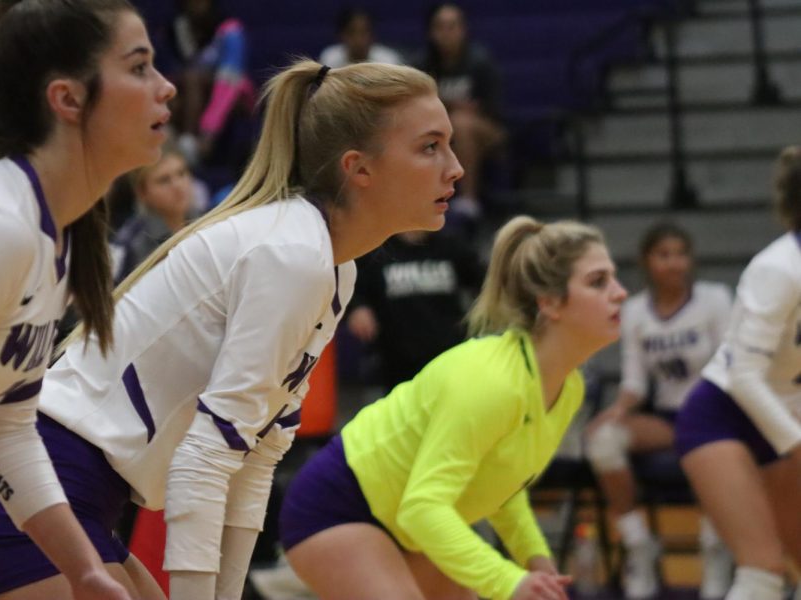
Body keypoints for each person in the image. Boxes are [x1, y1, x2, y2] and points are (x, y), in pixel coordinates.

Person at [0, 59, 463, 600]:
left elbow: (258, 452)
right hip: (38, 495)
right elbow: (207, 455)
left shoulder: (334, 268)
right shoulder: (291, 253)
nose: (454, 168)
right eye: (429, 146)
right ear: (358, 168)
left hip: (83, 501)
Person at [0, 0, 175, 598]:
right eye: (139, 67)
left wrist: (84, 570)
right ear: (68, 99)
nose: (166, 87)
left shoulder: (49, 237)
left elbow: (7, 429)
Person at [280, 215, 628, 600]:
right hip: (338, 507)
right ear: (549, 303)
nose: (620, 293)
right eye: (599, 282)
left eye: (612, 278)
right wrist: (508, 581)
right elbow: (423, 506)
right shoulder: (492, 383)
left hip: (407, 524)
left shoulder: (568, 387)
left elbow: (502, 485)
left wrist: (535, 559)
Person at [675, 146, 801, 600]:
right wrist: (795, 443)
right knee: (764, 569)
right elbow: (745, 374)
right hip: (722, 416)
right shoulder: (779, 269)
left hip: (785, 418)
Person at [584, 222, 734, 599]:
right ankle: (639, 546)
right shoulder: (634, 310)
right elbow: (635, 382)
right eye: (664, 255)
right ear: (647, 261)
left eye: (681, 254)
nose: (674, 263)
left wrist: (711, 413)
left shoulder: (714, 299)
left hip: (715, 413)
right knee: (602, 441)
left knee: (710, 446)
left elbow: (731, 365)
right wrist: (615, 411)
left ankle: (715, 554)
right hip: (669, 417)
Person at [346, 229, 484, 392]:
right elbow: (351, 285)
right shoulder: (377, 249)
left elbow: (486, 282)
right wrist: (357, 308)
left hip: (449, 356)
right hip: (397, 361)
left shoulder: (450, 244)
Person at [415, 2, 506, 222]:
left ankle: (469, 201)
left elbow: (494, 110)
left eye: (452, 26)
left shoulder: (480, 62)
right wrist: (454, 105)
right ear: (431, 32)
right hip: (440, 131)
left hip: (489, 131)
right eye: (440, 26)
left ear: (463, 29)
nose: (447, 33)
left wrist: (451, 109)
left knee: (461, 123)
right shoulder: (422, 64)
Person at [170, 0, 256, 167]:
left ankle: (189, 142)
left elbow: (228, 83)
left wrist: (208, 132)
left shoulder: (231, 30)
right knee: (175, 100)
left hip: (234, 94)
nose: (196, 5)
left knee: (193, 79)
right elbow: (177, 72)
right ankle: (176, 152)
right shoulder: (178, 27)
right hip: (193, 93)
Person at [110, 140, 209, 284]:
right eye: (164, 180)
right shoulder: (128, 246)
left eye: (181, 173)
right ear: (142, 193)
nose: (178, 185)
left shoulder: (211, 221)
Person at [318, 7, 404, 68]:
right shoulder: (329, 59)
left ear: (373, 35)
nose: (358, 39)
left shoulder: (388, 61)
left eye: (364, 32)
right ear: (341, 35)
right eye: (351, 32)